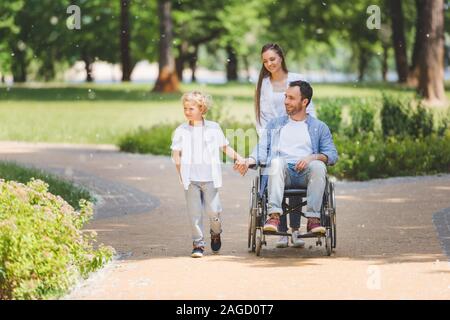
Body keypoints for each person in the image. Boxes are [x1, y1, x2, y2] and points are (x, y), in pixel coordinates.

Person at [235, 80, 338, 238]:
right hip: (282, 173)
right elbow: (261, 150)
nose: (286, 101)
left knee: (318, 166)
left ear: (304, 102)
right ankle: (274, 217)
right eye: (286, 97)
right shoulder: (275, 124)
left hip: (307, 174)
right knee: (275, 163)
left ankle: (313, 219)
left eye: (291, 98)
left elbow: (331, 155)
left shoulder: (319, 127)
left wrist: (312, 157)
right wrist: (248, 161)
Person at [255, 43, 317, 248]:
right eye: (265, 61)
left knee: (296, 168)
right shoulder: (264, 83)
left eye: (272, 59)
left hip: (298, 132)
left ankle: (296, 231)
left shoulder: (296, 79)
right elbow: (262, 115)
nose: (269, 63)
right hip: (274, 134)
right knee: (277, 168)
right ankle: (281, 232)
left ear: (281, 57)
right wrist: (267, 141)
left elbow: (310, 110)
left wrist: (310, 135)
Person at [171, 91, 245, 258]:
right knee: (194, 213)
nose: (187, 111)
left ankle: (216, 232)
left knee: (214, 211)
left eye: (191, 108)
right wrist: (181, 175)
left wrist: (239, 157)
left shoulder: (213, 128)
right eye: (185, 108)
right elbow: (176, 155)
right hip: (191, 179)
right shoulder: (181, 130)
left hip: (210, 179)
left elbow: (224, 147)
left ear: (202, 109)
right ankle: (198, 243)